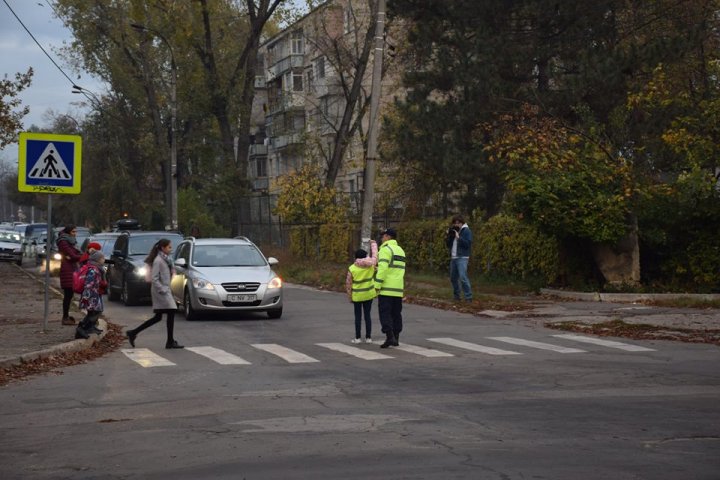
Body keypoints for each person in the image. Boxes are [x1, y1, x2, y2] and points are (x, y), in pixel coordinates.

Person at [126, 239, 184, 349]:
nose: (171, 249)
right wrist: (162, 289)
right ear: (163, 248)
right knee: (171, 311)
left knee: (158, 317)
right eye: (169, 247)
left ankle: (133, 332)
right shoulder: (159, 260)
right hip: (160, 291)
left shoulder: (166, 259)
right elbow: (154, 278)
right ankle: (170, 341)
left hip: (164, 290)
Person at [374, 228, 406, 348]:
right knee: (396, 313)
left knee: (385, 313)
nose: (381, 239)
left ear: (387, 237)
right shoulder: (400, 250)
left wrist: (377, 285)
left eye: (382, 236)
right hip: (398, 288)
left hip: (387, 288)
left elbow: (383, 269)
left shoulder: (385, 250)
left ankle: (389, 336)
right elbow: (395, 268)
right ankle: (396, 338)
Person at [345, 240, 378, 344]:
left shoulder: (352, 268)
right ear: (366, 256)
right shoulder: (371, 266)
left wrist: (350, 296)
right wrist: (373, 244)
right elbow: (375, 257)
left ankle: (358, 338)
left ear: (356, 258)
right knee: (367, 316)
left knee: (358, 317)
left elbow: (348, 284)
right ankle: (368, 338)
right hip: (369, 294)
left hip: (357, 296)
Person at [75, 250, 107, 339]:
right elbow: (88, 283)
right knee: (93, 312)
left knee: (95, 311)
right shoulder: (93, 269)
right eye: (102, 258)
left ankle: (89, 327)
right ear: (98, 259)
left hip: (94, 294)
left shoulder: (97, 268)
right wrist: (86, 296)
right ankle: (82, 329)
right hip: (91, 295)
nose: (104, 259)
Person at [56, 225, 83, 325]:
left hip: (72, 268)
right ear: (68, 232)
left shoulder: (71, 241)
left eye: (75, 232)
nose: (75, 234)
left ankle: (66, 316)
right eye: (73, 232)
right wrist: (80, 256)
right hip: (67, 270)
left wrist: (76, 256)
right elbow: (72, 256)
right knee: (68, 295)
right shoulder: (63, 241)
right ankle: (65, 317)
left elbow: (73, 255)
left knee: (69, 295)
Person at [445, 215, 473, 302]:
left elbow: (468, 244)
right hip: (454, 257)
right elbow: (448, 245)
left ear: (462, 223)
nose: (457, 225)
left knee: (463, 277)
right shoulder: (454, 231)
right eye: (455, 223)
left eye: (458, 223)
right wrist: (449, 236)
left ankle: (468, 297)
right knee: (453, 278)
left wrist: (458, 238)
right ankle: (457, 296)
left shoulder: (466, 231)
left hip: (462, 257)